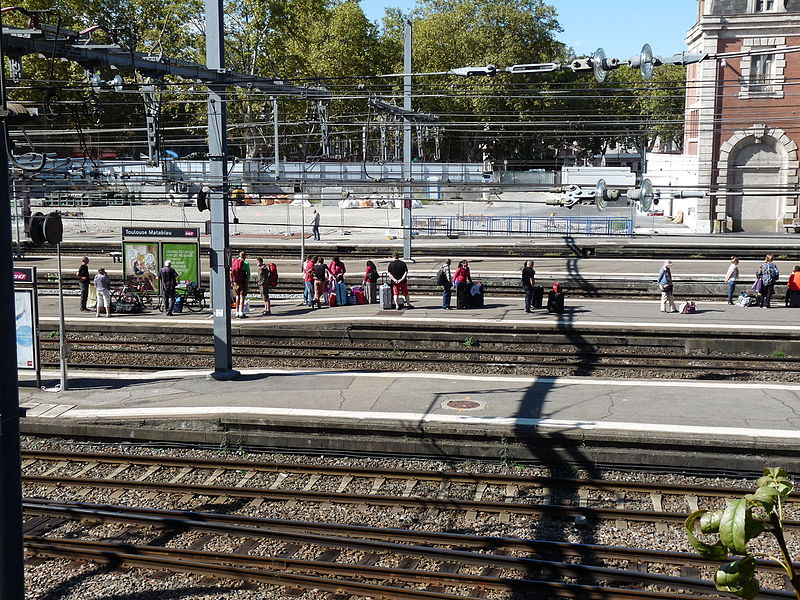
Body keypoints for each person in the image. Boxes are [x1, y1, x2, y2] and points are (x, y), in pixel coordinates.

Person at [230, 251, 250, 319]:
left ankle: (237, 312)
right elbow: (248, 274)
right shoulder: (245, 263)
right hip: (243, 281)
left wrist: (232, 281)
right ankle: (241, 312)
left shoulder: (234, 262)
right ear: (244, 256)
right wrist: (247, 281)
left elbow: (231, 272)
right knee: (242, 297)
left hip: (235, 282)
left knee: (237, 297)